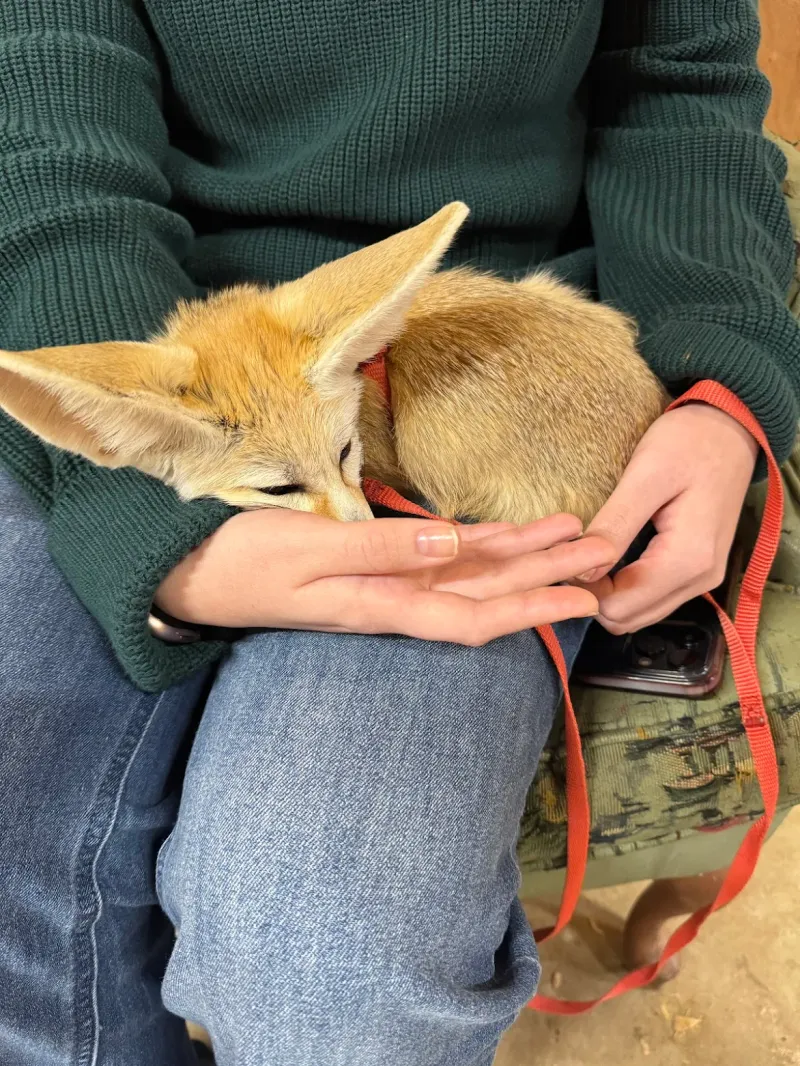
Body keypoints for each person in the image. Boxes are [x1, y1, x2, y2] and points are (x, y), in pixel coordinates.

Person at [0, 1, 797, 1064]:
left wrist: (721, 389)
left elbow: (678, 79)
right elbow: (42, 104)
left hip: (465, 348)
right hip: (130, 343)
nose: (346, 518)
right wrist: (146, 524)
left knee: (335, 975)